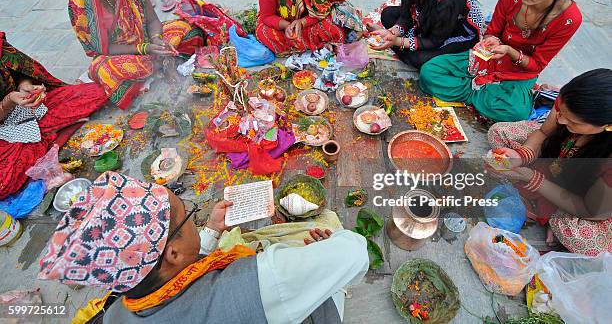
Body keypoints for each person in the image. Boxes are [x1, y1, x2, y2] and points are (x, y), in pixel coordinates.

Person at [39, 171, 369, 323]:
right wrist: (331, 242)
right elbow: (354, 253)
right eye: (188, 218)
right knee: (326, 234)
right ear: (172, 253)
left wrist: (209, 231)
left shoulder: (115, 313)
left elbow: (183, 269)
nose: (194, 220)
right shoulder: (255, 280)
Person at [420, 0, 582, 122]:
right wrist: (491, 40)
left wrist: (510, 52)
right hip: (490, 58)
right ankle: (479, 92)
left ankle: (475, 90)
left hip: (518, 71)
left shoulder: (569, 19)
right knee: (429, 72)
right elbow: (492, 31)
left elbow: (536, 65)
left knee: (516, 113)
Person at [68, 0, 205, 110]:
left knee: (188, 29)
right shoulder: (80, 2)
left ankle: (157, 65)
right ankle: (158, 65)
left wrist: (156, 40)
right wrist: (144, 49)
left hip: (146, 41)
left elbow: (152, 20)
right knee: (105, 71)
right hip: (117, 55)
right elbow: (100, 48)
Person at [487, 69, 612, 256]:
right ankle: (547, 205)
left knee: (584, 239)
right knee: (499, 132)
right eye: (560, 112)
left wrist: (530, 177)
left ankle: (550, 210)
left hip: (590, 202)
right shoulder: (569, 100)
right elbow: (544, 133)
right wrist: (521, 155)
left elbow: (589, 210)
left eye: (572, 121)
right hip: (557, 160)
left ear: (607, 125)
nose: (559, 119)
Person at [0, 32, 107, 200]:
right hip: (3, 137)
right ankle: (45, 139)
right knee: (3, 184)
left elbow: (21, 72)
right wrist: (7, 101)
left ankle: (42, 142)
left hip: (23, 109)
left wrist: (25, 88)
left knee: (96, 92)